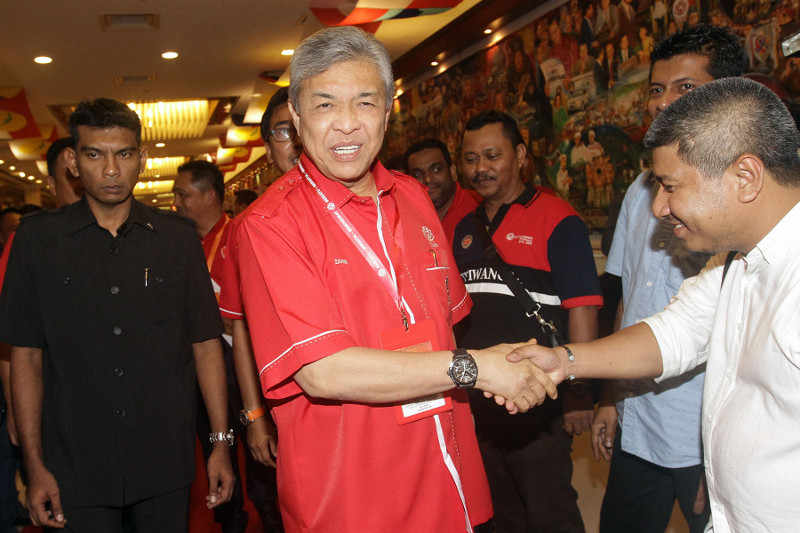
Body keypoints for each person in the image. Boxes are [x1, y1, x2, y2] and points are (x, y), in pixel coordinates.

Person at [233, 26, 553, 533]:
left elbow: (448, 327)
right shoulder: (268, 227)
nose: (346, 126)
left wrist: (507, 367)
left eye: (364, 102)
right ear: (295, 118)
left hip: (452, 479)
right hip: (355, 502)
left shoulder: (413, 197)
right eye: (324, 106)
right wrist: (478, 369)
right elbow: (324, 372)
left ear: (387, 111)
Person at [508, 76, 800, 533]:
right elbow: (675, 333)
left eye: (670, 185)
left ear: (745, 177)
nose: (660, 207)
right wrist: (564, 361)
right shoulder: (732, 259)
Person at [0, 98, 234, 531]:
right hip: (74, 464)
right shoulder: (37, 243)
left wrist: (221, 443)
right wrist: (33, 466)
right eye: (95, 154)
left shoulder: (177, 240)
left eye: (123, 154)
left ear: (142, 159)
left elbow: (205, 344)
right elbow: (25, 358)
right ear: (73, 161)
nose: (111, 169)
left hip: (164, 462)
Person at [594, 24, 745, 533]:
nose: (665, 103)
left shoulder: (749, 196)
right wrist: (608, 398)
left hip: (706, 433)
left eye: (686, 88)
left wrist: (728, 456)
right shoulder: (641, 191)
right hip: (640, 421)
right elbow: (629, 298)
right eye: (657, 89)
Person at [452, 110, 602, 532]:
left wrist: (578, 393)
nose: (480, 168)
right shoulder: (465, 227)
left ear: (519, 155)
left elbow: (583, 307)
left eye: (491, 155)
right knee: (498, 515)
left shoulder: (559, 219)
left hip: (538, 399)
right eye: (470, 158)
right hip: (480, 398)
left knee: (549, 511)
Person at [218, 86, 304, 533]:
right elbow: (240, 330)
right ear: (270, 148)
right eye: (283, 131)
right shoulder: (251, 227)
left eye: (303, 122)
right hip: (292, 407)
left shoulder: (372, 204)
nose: (297, 140)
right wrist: (254, 416)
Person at [172, 160, 251, 533]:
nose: (177, 203)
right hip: (197, 364)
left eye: (183, 195)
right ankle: (227, 514)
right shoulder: (179, 244)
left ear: (209, 196)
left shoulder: (239, 236)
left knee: (252, 446)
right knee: (213, 444)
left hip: (239, 363)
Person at [405, 138, 480, 243]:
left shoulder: (480, 206)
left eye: (436, 169)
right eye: (418, 174)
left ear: (453, 171)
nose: (427, 179)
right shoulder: (406, 219)